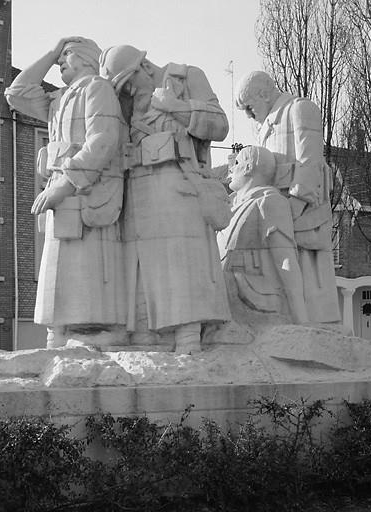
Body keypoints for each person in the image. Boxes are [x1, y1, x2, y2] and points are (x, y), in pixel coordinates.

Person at [99, 45, 232, 354]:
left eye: (129, 82)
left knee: (181, 261)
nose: (128, 92)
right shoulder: (128, 103)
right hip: (138, 188)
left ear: (144, 66)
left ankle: (188, 335)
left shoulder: (185, 78)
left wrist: (176, 107)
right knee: (142, 267)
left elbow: (220, 125)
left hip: (178, 182)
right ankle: (149, 336)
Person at [5, 37, 127, 348]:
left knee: (86, 265)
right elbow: (16, 93)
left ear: (86, 59)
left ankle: (93, 331)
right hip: (61, 190)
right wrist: (52, 50)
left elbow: (103, 141)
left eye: (67, 54)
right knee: (57, 266)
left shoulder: (97, 89)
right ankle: (59, 331)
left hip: (86, 191)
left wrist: (66, 184)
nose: (61, 61)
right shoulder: (58, 98)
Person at [234, 71, 340, 323]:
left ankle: (318, 324)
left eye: (249, 107)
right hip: (277, 211)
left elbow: (309, 162)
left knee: (310, 272)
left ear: (263, 93)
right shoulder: (266, 126)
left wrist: (295, 206)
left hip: (304, 209)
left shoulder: (300, 109)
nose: (248, 115)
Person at [217, 146, 308, 325]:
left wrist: (301, 319)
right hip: (224, 288)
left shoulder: (269, 201)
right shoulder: (230, 206)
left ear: (249, 166)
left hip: (251, 293)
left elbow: (284, 260)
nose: (231, 169)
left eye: (236, 163)